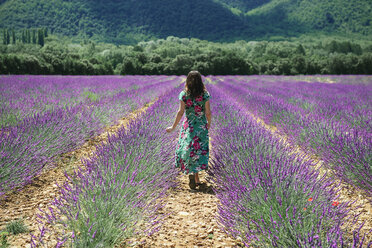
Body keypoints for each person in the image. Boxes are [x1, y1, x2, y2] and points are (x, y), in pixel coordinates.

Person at [166, 71, 211, 190]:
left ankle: (193, 176)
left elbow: (180, 112)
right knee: (198, 150)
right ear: (200, 81)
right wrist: (208, 124)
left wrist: (173, 127)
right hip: (201, 126)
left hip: (189, 126)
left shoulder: (184, 94)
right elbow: (208, 112)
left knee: (189, 149)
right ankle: (196, 179)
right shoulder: (205, 94)